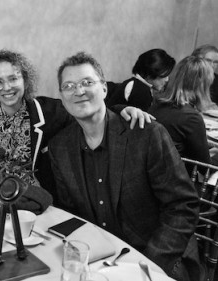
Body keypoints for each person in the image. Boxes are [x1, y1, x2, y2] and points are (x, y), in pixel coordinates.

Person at [49, 52, 201, 281]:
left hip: (158, 257)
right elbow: (72, 214)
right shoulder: (60, 147)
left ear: (104, 88)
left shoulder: (146, 134)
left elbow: (182, 206)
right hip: (101, 259)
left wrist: (147, 263)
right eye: (68, 86)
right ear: (61, 97)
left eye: (87, 82)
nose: (78, 91)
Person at [0, 50, 152, 213]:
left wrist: (121, 110)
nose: (6, 88)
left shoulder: (50, 112)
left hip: (31, 202)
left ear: (25, 80)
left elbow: (89, 110)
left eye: (13, 79)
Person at [149, 56, 214, 169]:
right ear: (202, 85)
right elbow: (204, 168)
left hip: (151, 173)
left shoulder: (156, 105)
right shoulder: (191, 118)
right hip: (175, 179)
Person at [107, 48, 175, 111]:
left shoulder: (132, 83)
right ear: (150, 74)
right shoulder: (141, 91)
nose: (167, 79)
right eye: (164, 76)